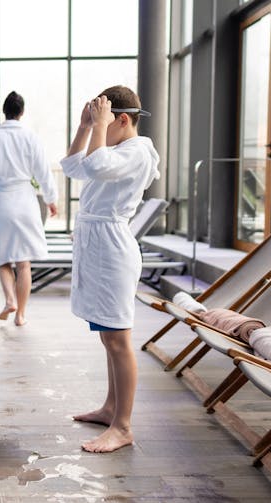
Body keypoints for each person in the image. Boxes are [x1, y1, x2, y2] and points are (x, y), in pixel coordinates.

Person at [60, 85, 160, 453]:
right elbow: (74, 167)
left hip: (113, 251)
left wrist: (99, 128)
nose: (100, 125)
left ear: (122, 119)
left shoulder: (137, 151)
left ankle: (123, 426)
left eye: (105, 119)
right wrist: (86, 126)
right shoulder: (114, 146)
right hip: (98, 247)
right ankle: (110, 407)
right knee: (107, 336)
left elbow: (97, 167)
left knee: (118, 340)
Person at [0, 91, 58, 326]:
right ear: (21, 112)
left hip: (2, 201)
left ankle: (9, 300)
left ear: (4, 111)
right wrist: (51, 199)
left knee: (3, 258)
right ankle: (21, 314)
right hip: (26, 201)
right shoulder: (31, 138)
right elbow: (43, 172)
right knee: (24, 263)